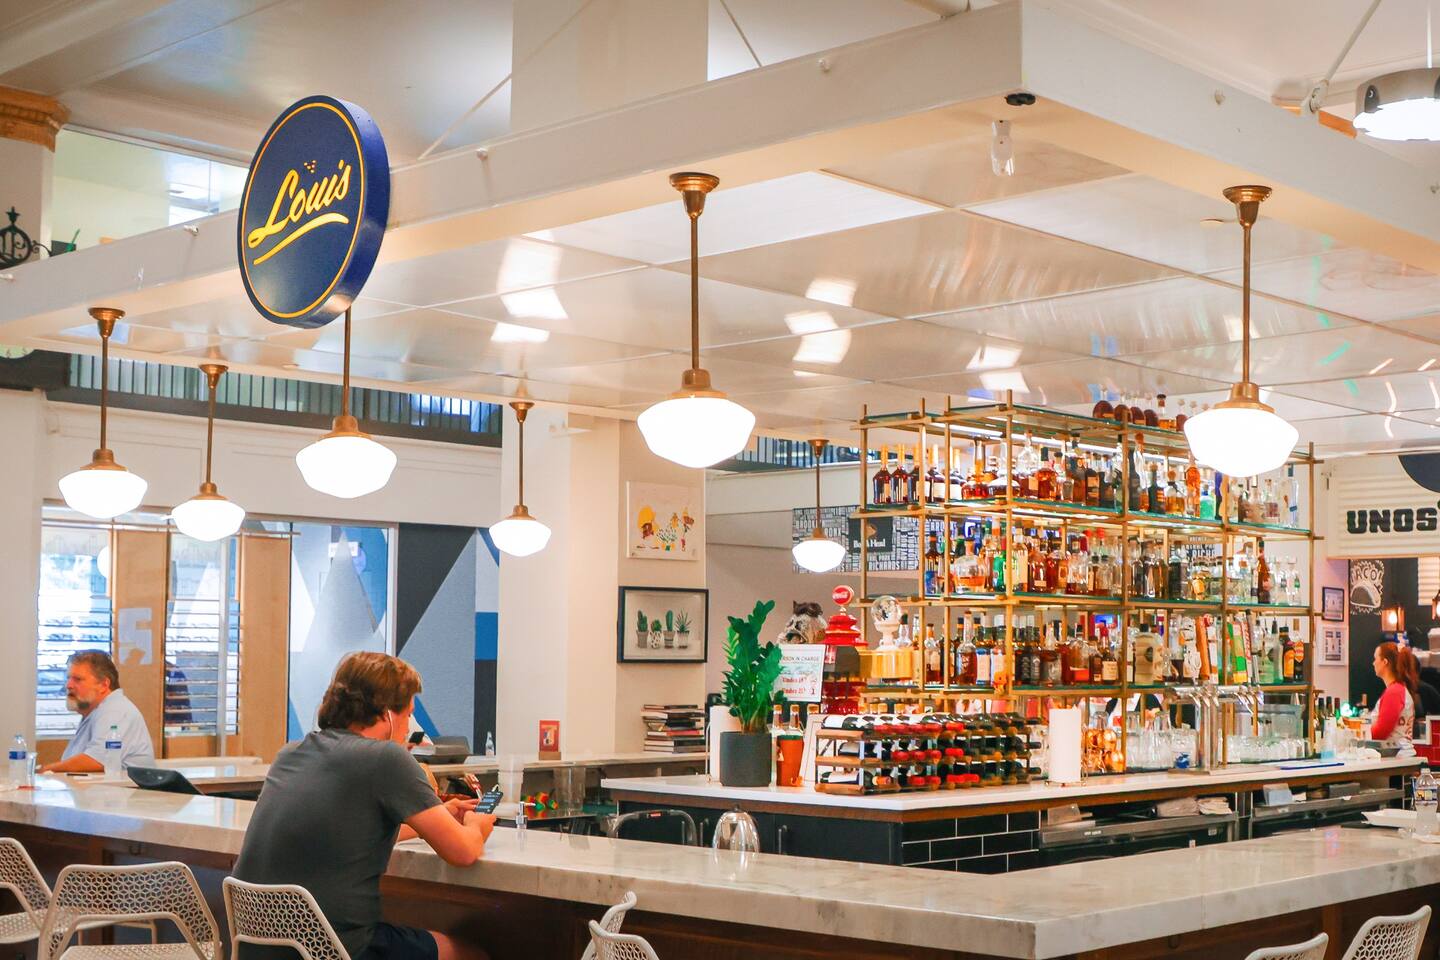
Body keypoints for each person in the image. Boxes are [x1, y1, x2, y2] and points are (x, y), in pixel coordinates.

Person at [234, 653, 493, 960]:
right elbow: (463, 852)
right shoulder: (387, 758)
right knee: (472, 954)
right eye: (408, 715)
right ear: (388, 714)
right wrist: (477, 824)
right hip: (334, 949)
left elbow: (347, 834)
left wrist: (433, 821)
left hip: (255, 946)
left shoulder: (291, 754)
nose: (409, 727)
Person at [40, 650, 156, 774]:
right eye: (68, 678)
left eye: (78, 679)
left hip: (123, 786)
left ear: (103, 685)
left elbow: (97, 760)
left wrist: (44, 770)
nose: (68, 685)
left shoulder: (115, 710)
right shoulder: (96, 711)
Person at [1370, 641, 1419, 756]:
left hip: (1397, 757)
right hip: (1401, 756)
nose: (1373, 663)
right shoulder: (1398, 689)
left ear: (1384, 662)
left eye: (1375, 658)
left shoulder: (1394, 692)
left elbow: (1380, 733)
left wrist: (1359, 732)